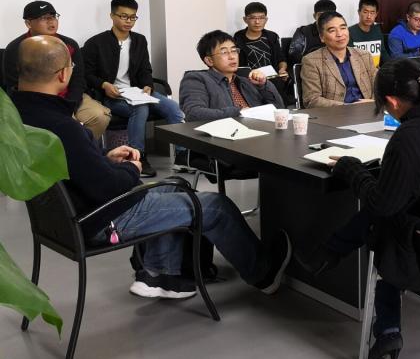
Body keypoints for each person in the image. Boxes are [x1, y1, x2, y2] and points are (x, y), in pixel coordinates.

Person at [12, 35, 291, 299]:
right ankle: (263, 274)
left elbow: (72, 165)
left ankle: (162, 276)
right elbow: (110, 187)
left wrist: (104, 158)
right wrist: (132, 168)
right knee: (216, 207)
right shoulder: (63, 125)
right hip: (101, 218)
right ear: (63, 74)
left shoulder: (18, 116)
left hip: (65, 217)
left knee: (177, 187)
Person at [296, 58, 420, 359]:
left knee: (388, 220)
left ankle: (384, 323)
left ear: (392, 101)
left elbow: (381, 204)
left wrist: (351, 169)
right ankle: (331, 254)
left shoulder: (411, 135)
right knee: (396, 211)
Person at [82, 0, 184, 178]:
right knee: (140, 108)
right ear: (112, 16)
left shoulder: (139, 40)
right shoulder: (96, 43)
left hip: (137, 92)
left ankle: (183, 157)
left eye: (133, 17)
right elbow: (86, 74)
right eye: (124, 16)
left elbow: (145, 68)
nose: (129, 21)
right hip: (111, 95)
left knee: (173, 108)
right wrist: (104, 85)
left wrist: (147, 85)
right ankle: (137, 157)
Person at [2, 0, 110, 140]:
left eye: (53, 16)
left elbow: (78, 80)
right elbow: (14, 85)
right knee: (65, 126)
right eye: (44, 18)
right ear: (28, 23)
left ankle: (84, 147)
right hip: (37, 103)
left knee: (100, 116)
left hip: (70, 98)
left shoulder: (69, 44)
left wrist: (69, 105)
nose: (51, 22)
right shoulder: (16, 48)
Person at [180, 30, 283, 122]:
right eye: (224, 52)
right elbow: (194, 113)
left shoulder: (246, 81)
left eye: (234, 51)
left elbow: (279, 109)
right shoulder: (196, 79)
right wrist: (239, 112)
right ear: (209, 60)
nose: (232, 56)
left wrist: (263, 85)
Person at [300, 12, 376, 107]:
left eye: (343, 28)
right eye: (332, 30)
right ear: (322, 37)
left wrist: (372, 102)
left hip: (368, 110)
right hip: (335, 114)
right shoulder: (311, 61)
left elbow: (379, 87)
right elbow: (312, 100)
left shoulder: (364, 56)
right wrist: (347, 107)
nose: (339, 34)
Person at [233, 1, 291, 106]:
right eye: (253, 18)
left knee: (279, 101)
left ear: (266, 19)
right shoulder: (238, 38)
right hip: (249, 82)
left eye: (261, 18)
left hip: (272, 81)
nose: (257, 22)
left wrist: (282, 69)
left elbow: (281, 59)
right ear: (245, 19)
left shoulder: (272, 37)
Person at [288, 0, 336, 67]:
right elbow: (293, 57)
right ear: (314, 16)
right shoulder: (303, 32)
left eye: (328, 15)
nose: (324, 19)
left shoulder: (339, 32)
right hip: (309, 68)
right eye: (320, 15)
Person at [348, 0, 389, 67]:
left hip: (376, 70)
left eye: (372, 13)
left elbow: (383, 52)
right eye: (365, 12)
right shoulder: (350, 32)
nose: (369, 16)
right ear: (359, 12)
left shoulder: (377, 30)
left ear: (376, 14)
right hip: (358, 71)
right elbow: (349, 58)